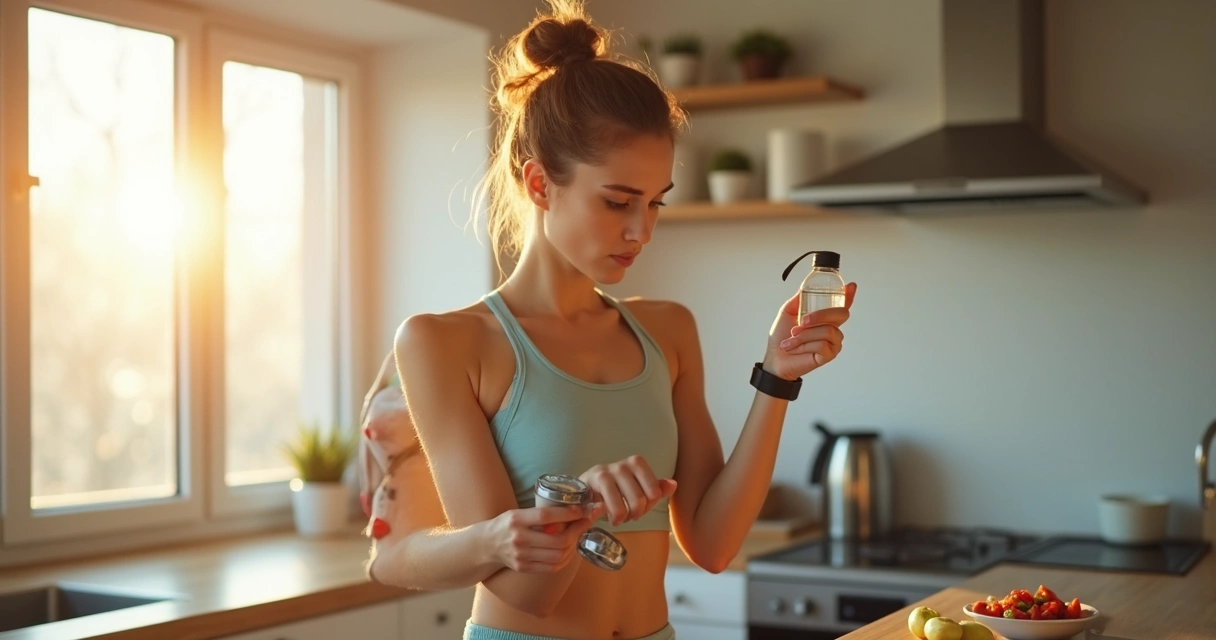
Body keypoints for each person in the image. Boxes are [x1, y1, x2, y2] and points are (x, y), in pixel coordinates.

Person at [372, 1, 857, 638]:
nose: (641, 230)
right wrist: (577, 501)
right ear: (539, 185)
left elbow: (712, 545)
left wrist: (777, 378)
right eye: (617, 202)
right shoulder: (447, 343)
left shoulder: (669, 330)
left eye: (655, 203)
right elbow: (523, 593)